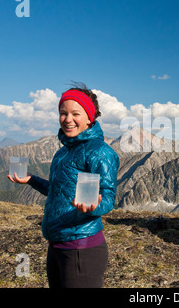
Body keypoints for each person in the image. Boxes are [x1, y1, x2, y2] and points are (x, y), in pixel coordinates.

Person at [8, 83, 119, 288]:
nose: (68, 119)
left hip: (81, 248)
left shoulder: (100, 151)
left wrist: (96, 206)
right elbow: (57, 190)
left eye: (75, 113)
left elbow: (109, 197)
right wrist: (31, 179)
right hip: (57, 244)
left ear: (89, 118)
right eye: (63, 113)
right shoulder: (64, 151)